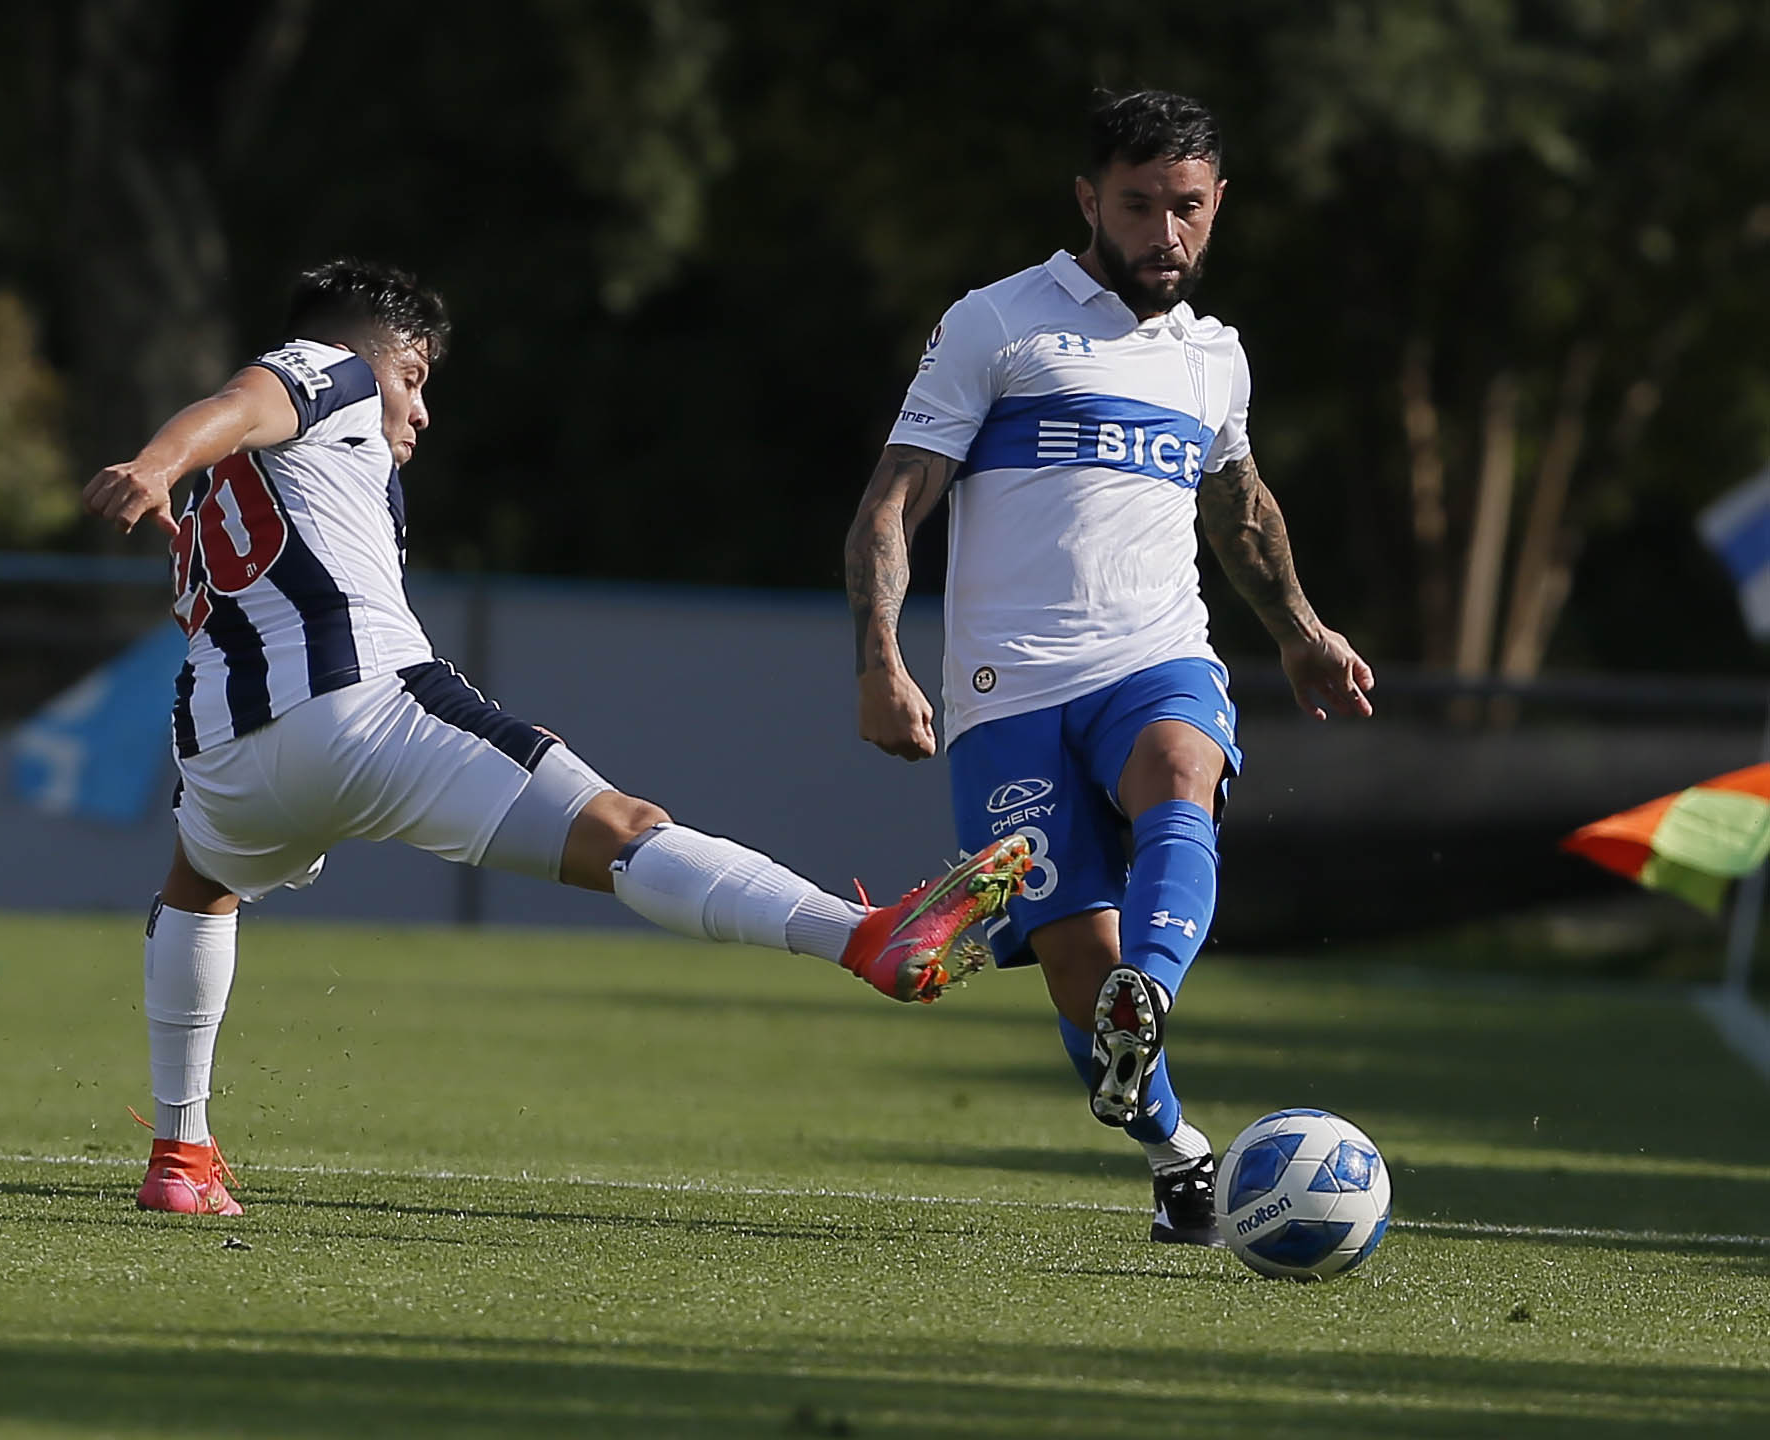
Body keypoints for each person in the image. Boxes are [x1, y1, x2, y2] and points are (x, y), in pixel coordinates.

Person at [83, 258, 1032, 1217]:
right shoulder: (338, 372)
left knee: (200, 890)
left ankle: (182, 1155)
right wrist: (157, 460)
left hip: (224, 752)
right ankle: (861, 936)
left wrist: (176, 472)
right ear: (377, 355)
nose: (417, 412)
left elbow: (241, 440)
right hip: (363, 706)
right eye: (416, 381)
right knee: (623, 830)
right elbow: (244, 396)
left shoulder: (243, 488)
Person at [843, 91, 1373, 1247]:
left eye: (1188, 208)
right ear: (1090, 201)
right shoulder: (996, 323)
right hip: (1005, 693)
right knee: (1079, 969)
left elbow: (1239, 505)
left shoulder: (1212, 359)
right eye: (1139, 206)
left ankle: (1157, 987)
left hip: (1155, 654)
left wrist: (1297, 627)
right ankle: (1180, 1155)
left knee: (1181, 768)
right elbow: (896, 498)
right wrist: (881, 658)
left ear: (1218, 203)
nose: (1165, 233)